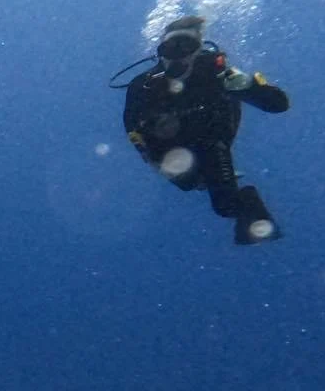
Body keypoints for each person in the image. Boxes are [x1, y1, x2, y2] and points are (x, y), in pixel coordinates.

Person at [122, 16, 289, 244]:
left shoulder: (217, 73)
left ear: (197, 50)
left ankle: (253, 216)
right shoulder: (144, 86)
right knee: (187, 183)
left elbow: (279, 105)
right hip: (167, 148)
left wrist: (249, 86)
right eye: (170, 48)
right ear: (160, 53)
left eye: (186, 47)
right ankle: (203, 180)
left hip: (210, 140)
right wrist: (148, 155)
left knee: (224, 204)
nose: (178, 56)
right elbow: (131, 127)